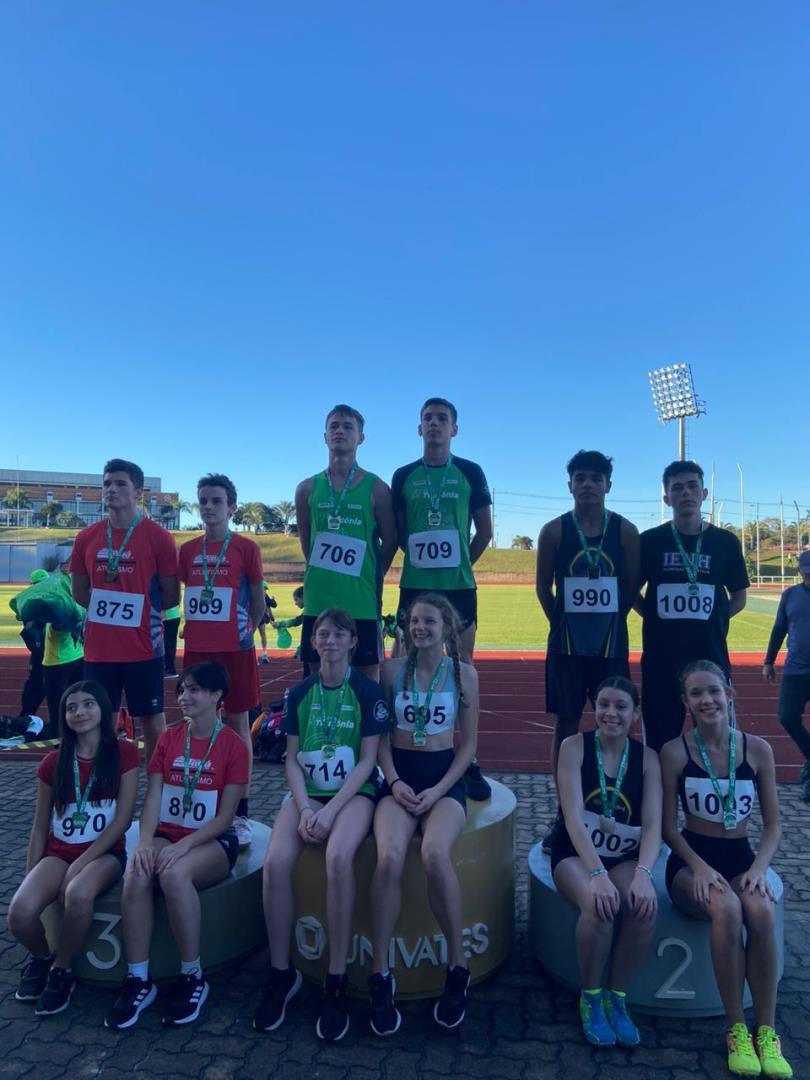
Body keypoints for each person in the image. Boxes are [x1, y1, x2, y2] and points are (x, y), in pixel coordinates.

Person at [254, 609, 389, 1042]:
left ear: (353, 642)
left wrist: (329, 813)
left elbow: (368, 761)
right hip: (307, 794)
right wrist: (306, 806)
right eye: (322, 634)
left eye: (338, 635)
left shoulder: (369, 691)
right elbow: (292, 758)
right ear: (313, 642)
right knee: (275, 863)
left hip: (353, 795)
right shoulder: (299, 693)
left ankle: (336, 977)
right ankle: (280, 973)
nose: (329, 641)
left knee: (337, 857)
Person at [660, 661, 792, 1079]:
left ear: (729, 694)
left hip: (740, 859)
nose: (707, 700)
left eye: (714, 691)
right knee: (729, 911)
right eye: (696, 694)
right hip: (690, 861)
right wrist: (697, 867)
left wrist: (759, 868)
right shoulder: (674, 752)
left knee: (762, 910)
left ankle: (767, 1031)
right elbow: (666, 827)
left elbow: (773, 825)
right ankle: (735, 1028)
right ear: (686, 702)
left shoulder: (758, 750)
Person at [105, 662, 248, 1030]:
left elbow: (225, 817)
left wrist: (184, 848)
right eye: (182, 690)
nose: (184, 697)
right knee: (137, 873)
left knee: (174, 874)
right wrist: (148, 841)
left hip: (212, 841)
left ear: (217, 696)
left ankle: (193, 977)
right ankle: (138, 979)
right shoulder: (169, 737)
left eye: (194, 690)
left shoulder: (233, 745)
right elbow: (153, 796)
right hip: (168, 833)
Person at [368, 593, 479, 1035]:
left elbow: (467, 745)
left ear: (446, 627)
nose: (420, 628)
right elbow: (379, 737)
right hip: (399, 776)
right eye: (414, 621)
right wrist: (393, 782)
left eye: (429, 621)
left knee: (434, 853)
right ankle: (381, 972)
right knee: (389, 857)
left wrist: (436, 792)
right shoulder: (392, 671)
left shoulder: (465, 675)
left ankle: (458, 967)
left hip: (444, 780)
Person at [9, 681, 139, 1016]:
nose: (79, 712)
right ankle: (41, 958)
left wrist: (81, 862)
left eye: (88, 704)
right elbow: (39, 827)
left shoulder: (124, 754)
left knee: (78, 893)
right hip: (58, 852)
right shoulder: (52, 763)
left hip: (105, 854)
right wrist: (31, 873)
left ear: (103, 709)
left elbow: (122, 820)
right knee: (20, 914)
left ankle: (62, 970)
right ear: (64, 716)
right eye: (71, 707)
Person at [536, 450, 639, 850]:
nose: (588, 485)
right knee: (565, 726)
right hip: (566, 648)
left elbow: (631, 587)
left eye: (596, 478)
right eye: (580, 478)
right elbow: (544, 589)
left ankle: (612, 808)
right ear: (570, 486)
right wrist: (564, 624)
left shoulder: (626, 531)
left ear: (608, 486)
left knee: (614, 728)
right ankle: (565, 814)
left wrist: (607, 622)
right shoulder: (554, 531)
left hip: (611, 647)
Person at [550, 676, 660, 1048]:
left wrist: (644, 874)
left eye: (620, 706)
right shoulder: (573, 747)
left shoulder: (647, 759)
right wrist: (596, 872)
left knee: (644, 905)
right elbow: (572, 816)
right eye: (604, 705)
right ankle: (591, 997)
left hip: (625, 856)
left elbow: (654, 826)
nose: (610, 713)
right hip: (576, 853)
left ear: (635, 713)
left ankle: (618, 996)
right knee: (599, 906)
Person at [390, 398, 492, 800]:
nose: (434, 424)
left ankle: (469, 761)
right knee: (404, 666)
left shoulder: (470, 472)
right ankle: (402, 755)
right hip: (414, 588)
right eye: (428, 419)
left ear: (454, 429)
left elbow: (483, 533)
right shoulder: (403, 476)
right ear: (419, 429)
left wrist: (460, 565)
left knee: (463, 670)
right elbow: (398, 534)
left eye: (442, 419)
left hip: (459, 589)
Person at [71, 459, 180, 764]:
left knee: (152, 722)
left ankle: (156, 794)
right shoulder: (87, 537)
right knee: (99, 722)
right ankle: (105, 792)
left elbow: (171, 595)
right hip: (99, 650)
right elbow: (79, 592)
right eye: (107, 483)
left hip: (143, 648)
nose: (111, 489)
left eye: (120, 483)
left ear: (138, 492)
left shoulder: (158, 537)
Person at [179, 474, 266, 847]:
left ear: (232, 508)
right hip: (199, 648)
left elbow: (259, 600)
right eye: (203, 500)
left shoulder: (246, 548)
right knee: (199, 722)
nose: (209, 507)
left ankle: (240, 808)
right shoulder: (187, 551)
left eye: (216, 501)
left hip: (236, 648)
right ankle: (203, 799)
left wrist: (247, 631)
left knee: (237, 722)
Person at [639, 461, 749, 752]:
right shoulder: (649, 541)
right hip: (661, 658)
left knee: (718, 742)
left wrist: (716, 616)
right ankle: (661, 799)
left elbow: (739, 595)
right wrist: (651, 614)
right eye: (677, 488)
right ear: (666, 498)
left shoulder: (725, 542)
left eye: (691, 486)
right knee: (660, 743)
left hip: (710, 655)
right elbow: (630, 593)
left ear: (704, 493)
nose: (685, 492)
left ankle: (715, 796)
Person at [295, 404, 397, 680]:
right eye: (334, 426)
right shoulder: (306, 488)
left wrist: (372, 573)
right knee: (317, 680)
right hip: (319, 600)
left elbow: (391, 540)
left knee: (367, 683)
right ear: (325, 436)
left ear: (361, 438)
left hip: (361, 600)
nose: (340, 431)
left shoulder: (377, 488)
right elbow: (308, 545)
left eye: (348, 426)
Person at [763, 550, 810, 803]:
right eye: (807, 570)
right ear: (801, 570)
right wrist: (769, 661)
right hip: (795, 670)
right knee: (787, 718)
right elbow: (779, 629)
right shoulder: (790, 595)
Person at [41, 552, 86, 738]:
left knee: (59, 705)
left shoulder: (59, 593)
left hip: (57, 660)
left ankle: (62, 744)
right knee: (80, 700)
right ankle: (79, 738)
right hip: (78, 656)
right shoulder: (82, 594)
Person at [16, 569, 50, 717]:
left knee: (35, 685)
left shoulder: (29, 602)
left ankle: (26, 718)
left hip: (43, 653)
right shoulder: (58, 597)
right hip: (61, 653)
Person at [255, 582, 277, 664]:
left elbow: (271, 605)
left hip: (261, 617)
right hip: (252, 616)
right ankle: (253, 656)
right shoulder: (252, 594)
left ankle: (264, 653)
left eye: (265, 589)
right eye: (263, 589)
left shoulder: (265, 596)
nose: (265, 591)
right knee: (251, 636)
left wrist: (271, 617)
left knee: (263, 633)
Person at [162, 601, 182, 678]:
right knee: (171, 644)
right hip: (174, 615)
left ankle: (168, 669)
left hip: (166, 616)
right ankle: (170, 669)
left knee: (165, 644)